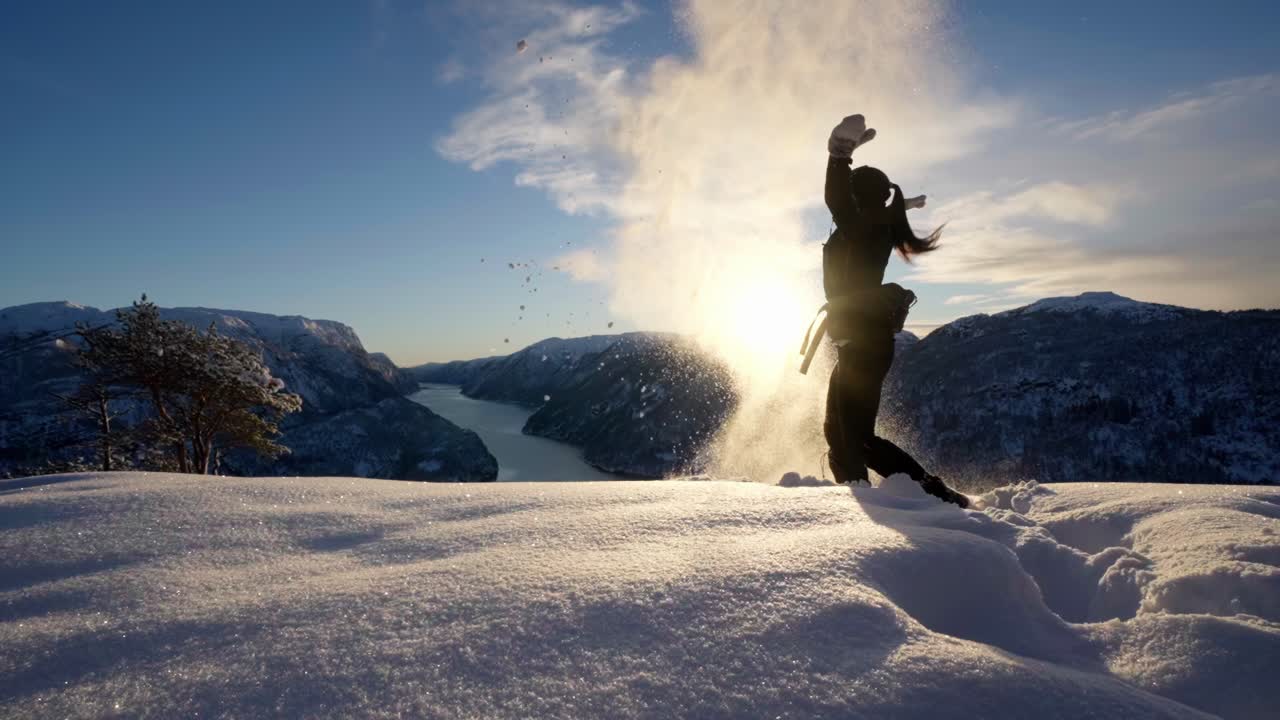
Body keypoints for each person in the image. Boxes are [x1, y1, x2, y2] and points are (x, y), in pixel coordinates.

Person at [809, 113, 968, 507]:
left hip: (864, 345)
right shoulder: (870, 224)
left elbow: (837, 199)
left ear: (859, 198)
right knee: (839, 432)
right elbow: (872, 209)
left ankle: (924, 496)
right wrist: (903, 205)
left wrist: (839, 155)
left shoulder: (860, 225)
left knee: (855, 438)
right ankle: (870, 495)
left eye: (851, 191)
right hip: (863, 343)